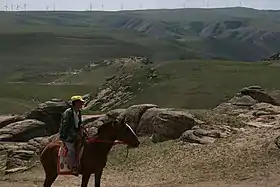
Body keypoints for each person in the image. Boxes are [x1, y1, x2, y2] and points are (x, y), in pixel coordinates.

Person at [59, 95, 85, 175]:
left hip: (76, 134)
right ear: (75, 103)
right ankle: (72, 167)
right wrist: (75, 135)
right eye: (80, 102)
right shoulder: (68, 113)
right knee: (71, 150)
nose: (82, 104)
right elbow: (65, 126)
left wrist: (82, 131)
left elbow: (79, 124)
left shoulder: (79, 112)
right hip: (67, 135)